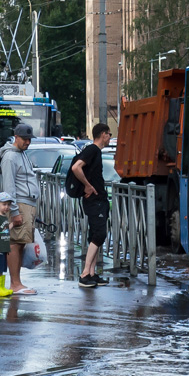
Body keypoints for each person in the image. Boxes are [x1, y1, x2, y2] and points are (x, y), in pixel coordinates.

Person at [0, 123, 40, 296]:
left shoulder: (21, 154)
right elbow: (9, 186)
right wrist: (14, 211)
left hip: (27, 204)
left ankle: (17, 282)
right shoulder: (9, 157)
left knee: (20, 243)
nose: (28, 142)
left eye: (30, 139)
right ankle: (15, 284)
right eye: (24, 139)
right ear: (16, 137)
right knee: (15, 243)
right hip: (20, 205)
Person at [71, 123, 112, 288]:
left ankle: (92, 274)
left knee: (96, 234)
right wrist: (87, 185)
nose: (110, 137)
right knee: (100, 234)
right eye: (109, 134)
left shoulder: (95, 152)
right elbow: (76, 167)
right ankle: (85, 273)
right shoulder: (92, 150)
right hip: (95, 201)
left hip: (98, 200)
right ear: (103, 134)